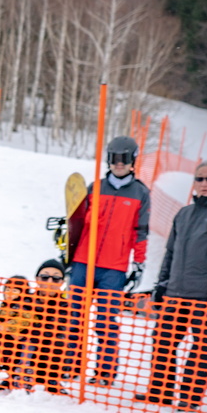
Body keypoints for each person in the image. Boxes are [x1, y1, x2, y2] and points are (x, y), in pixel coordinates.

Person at [138, 161, 207, 411]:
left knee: (199, 350)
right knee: (162, 342)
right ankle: (159, 392)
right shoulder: (184, 213)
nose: (204, 184)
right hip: (175, 293)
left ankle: (189, 398)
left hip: (204, 295)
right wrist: (161, 284)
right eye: (199, 179)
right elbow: (171, 252)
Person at [66, 135, 151, 386]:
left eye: (124, 158)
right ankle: (71, 366)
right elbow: (78, 221)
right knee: (75, 317)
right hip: (84, 261)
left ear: (133, 160)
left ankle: (105, 372)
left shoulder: (140, 193)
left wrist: (139, 263)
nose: (119, 163)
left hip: (114, 267)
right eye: (114, 158)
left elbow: (141, 231)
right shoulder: (95, 187)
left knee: (105, 320)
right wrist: (68, 250)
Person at [24, 259, 73, 396]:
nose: (50, 282)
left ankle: (52, 379)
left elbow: (60, 327)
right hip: (26, 346)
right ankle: (15, 375)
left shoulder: (65, 305)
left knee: (60, 341)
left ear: (62, 283)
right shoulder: (26, 300)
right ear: (37, 279)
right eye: (45, 277)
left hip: (49, 350)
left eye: (56, 279)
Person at [0, 276, 33, 390]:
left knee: (18, 358)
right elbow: (1, 316)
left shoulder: (24, 305)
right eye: (7, 289)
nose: (9, 293)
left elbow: (25, 319)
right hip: (8, 337)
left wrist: (8, 325)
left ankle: (18, 378)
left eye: (14, 290)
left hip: (22, 338)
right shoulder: (6, 305)